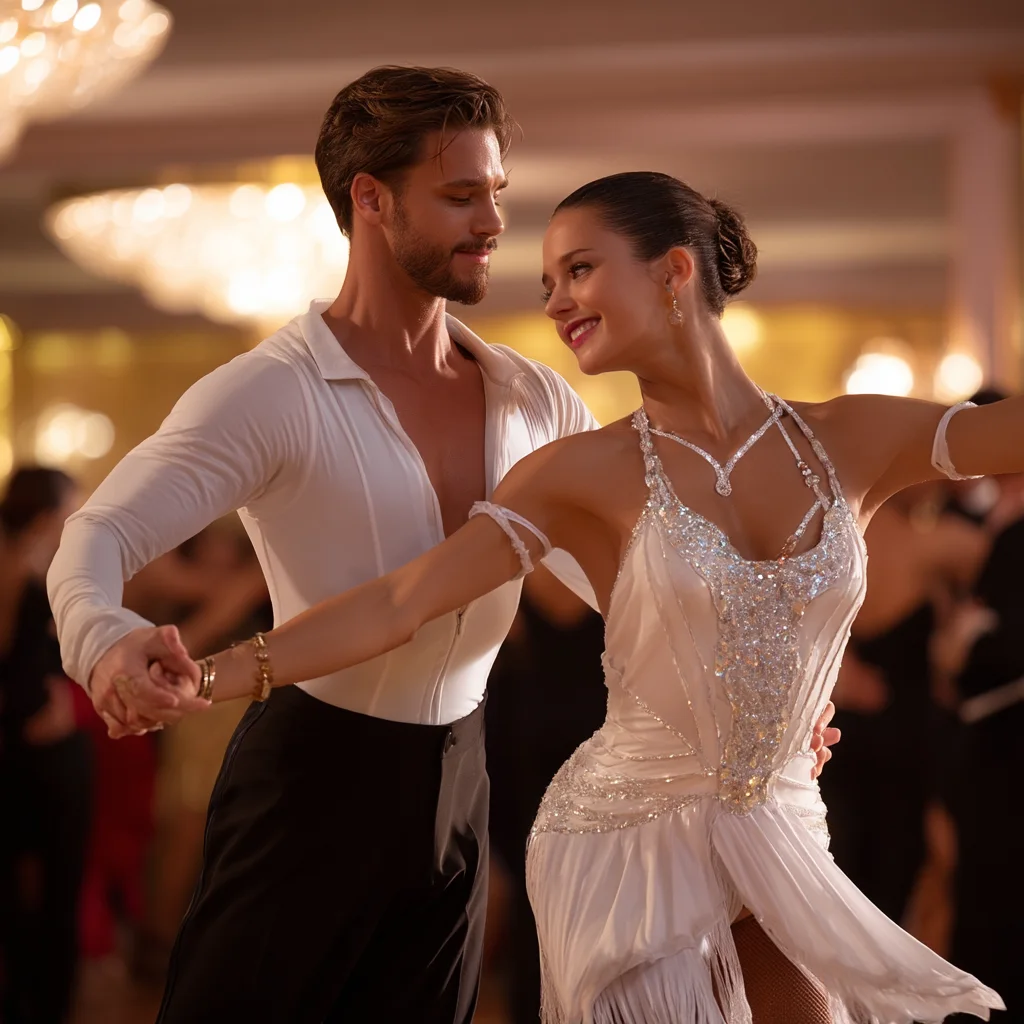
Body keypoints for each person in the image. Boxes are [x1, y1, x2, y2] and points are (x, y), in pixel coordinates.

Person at [46, 68, 840, 1024]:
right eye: (460, 195)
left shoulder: (536, 400)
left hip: (464, 776)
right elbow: (99, 529)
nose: (493, 221)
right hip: (308, 782)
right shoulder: (269, 392)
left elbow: (637, 586)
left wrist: (763, 705)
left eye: (495, 192)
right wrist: (103, 636)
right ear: (370, 201)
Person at [177, 171, 1018, 1023]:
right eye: (547, 283)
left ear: (674, 272)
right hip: (627, 840)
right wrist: (208, 677)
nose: (555, 301)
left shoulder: (852, 437)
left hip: (784, 825)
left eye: (578, 270)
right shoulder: (578, 474)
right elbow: (401, 601)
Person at [818, 482, 986, 925]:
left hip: (840, 728)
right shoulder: (930, 539)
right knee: (889, 865)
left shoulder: (829, 537)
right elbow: (998, 551)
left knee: (844, 858)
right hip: (901, 733)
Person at [0, 467, 87, 1024]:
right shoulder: (16, 566)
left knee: (52, 892)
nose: (76, 523)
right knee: (37, 891)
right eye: (70, 513)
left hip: (49, 749)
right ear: (44, 515)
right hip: (25, 752)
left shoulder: (47, 569)